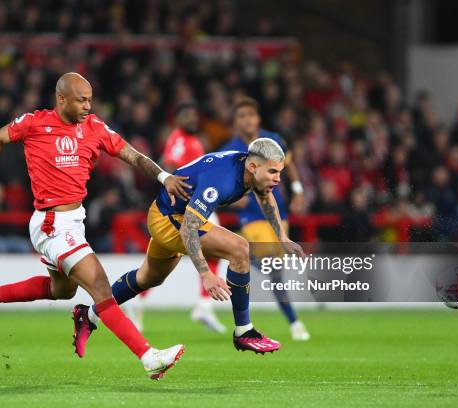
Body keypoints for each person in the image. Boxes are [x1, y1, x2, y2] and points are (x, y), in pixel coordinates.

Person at [0, 72, 190, 380]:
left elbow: (132, 155)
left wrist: (164, 178)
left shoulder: (95, 128)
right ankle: (149, 356)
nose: (88, 105)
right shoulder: (35, 123)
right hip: (51, 224)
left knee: (62, 290)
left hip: (74, 221)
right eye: (81, 100)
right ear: (62, 99)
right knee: (100, 285)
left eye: (90, 99)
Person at [73, 137, 306, 357]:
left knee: (147, 278)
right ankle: (244, 330)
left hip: (171, 213)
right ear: (254, 167)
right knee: (239, 248)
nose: (277, 179)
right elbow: (188, 229)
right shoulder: (222, 180)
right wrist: (206, 274)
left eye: (279, 172)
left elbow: (265, 196)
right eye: (273, 172)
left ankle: (90, 314)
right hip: (171, 218)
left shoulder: (248, 169)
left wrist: (282, 237)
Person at [126, 102, 226, 334]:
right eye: (187, 116)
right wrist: (173, 192)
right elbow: (169, 163)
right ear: (178, 120)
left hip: (198, 206)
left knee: (212, 251)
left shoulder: (188, 139)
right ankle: (199, 304)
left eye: (194, 116)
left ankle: (202, 304)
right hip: (189, 209)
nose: (192, 120)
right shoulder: (181, 140)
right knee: (174, 260)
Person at [221, 97, 310, 341]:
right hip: (251, 217)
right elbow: (222, 183)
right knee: (274, 267)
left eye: (250, 114)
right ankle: (294, 322)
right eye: (241, 116)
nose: (247, 119)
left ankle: (238, 258)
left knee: (274, 270)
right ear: (236, 123)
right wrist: (230, 199)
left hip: (277, 214)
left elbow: (289, 165)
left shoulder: (273, 140)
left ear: (258, 118)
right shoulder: (230, 149)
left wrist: (298, 190)